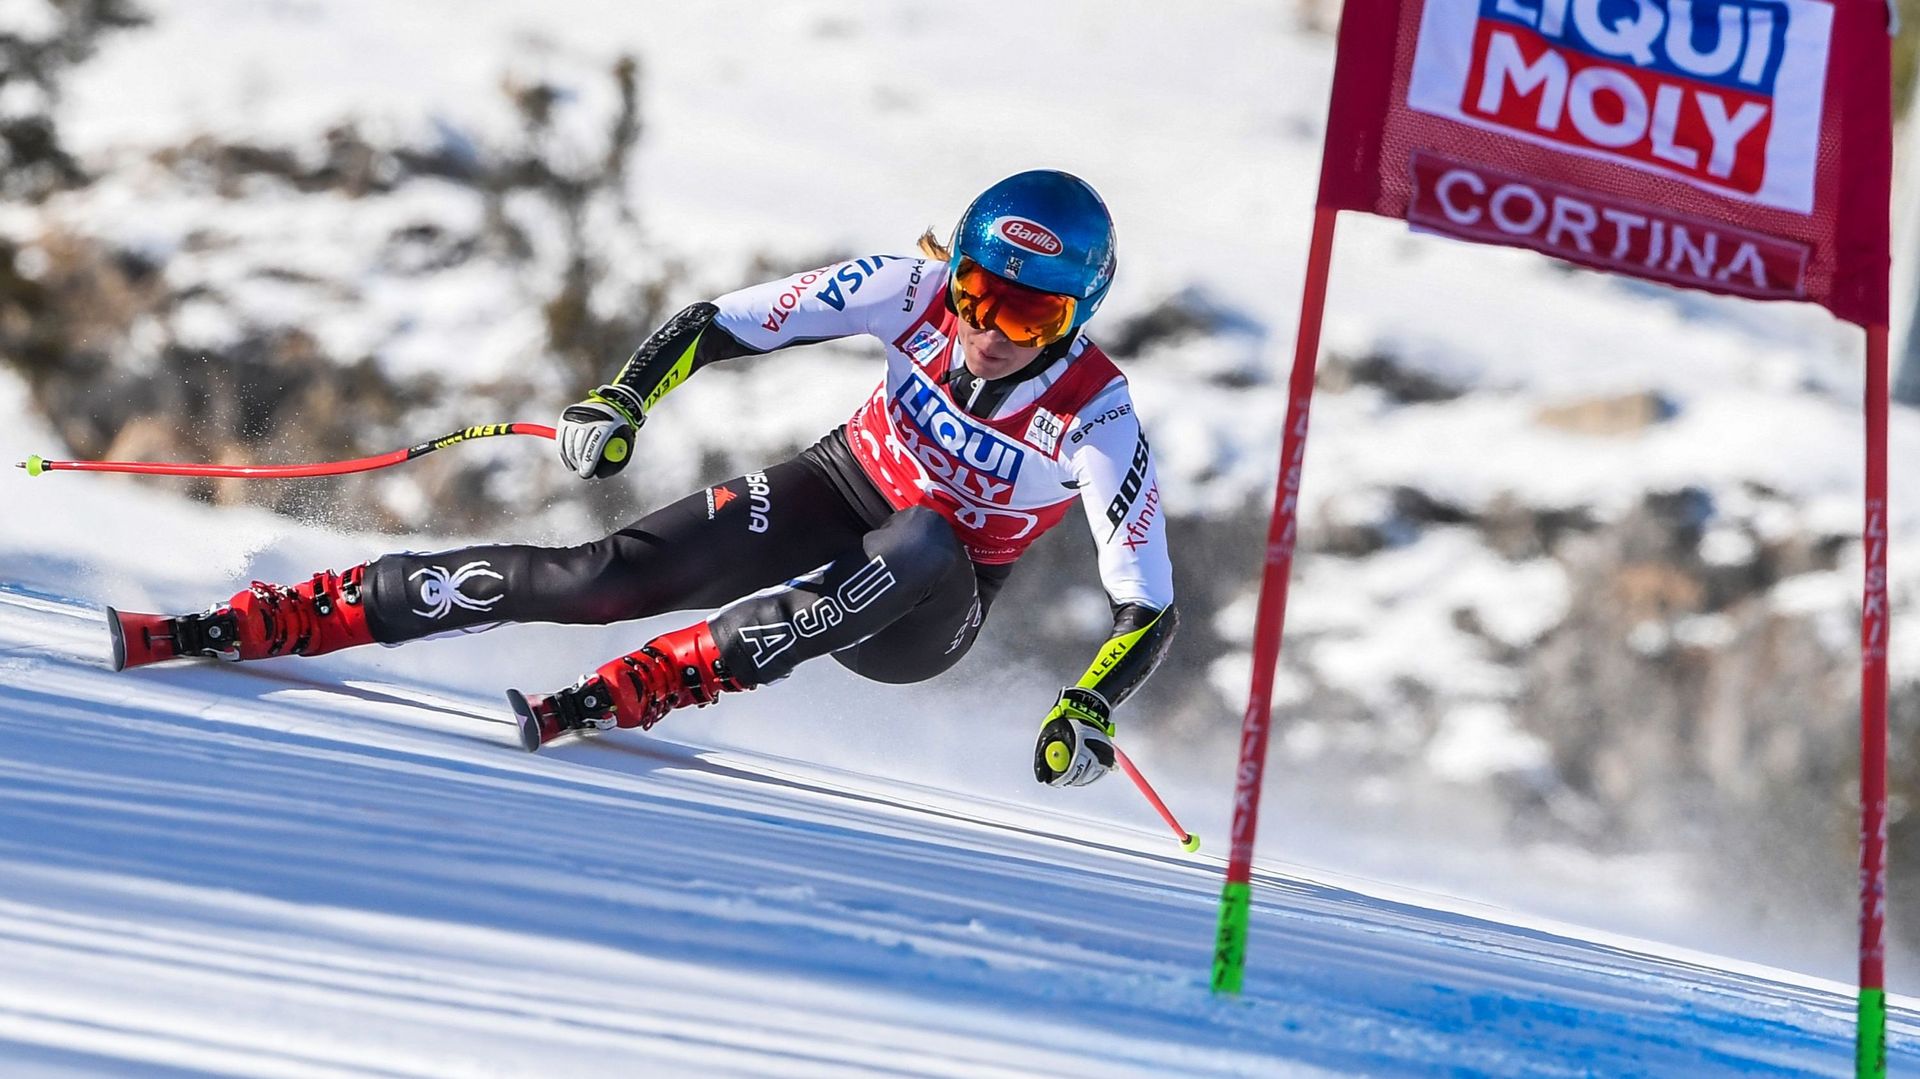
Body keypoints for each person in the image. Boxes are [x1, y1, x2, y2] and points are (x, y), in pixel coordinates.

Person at [108, 170, 1178, 788]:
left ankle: (677, 673)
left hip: (924, 608)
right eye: (979, 293)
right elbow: (719, 321)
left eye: (1029, 314)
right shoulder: (907, 289)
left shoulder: (1096, 412)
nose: (988, 330)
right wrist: (622, 397)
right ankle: (308, 612)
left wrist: (1090, 703)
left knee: (927, 539)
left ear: (1076, 315)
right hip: (842, 481)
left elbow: (1148, 600)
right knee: (601, 577)